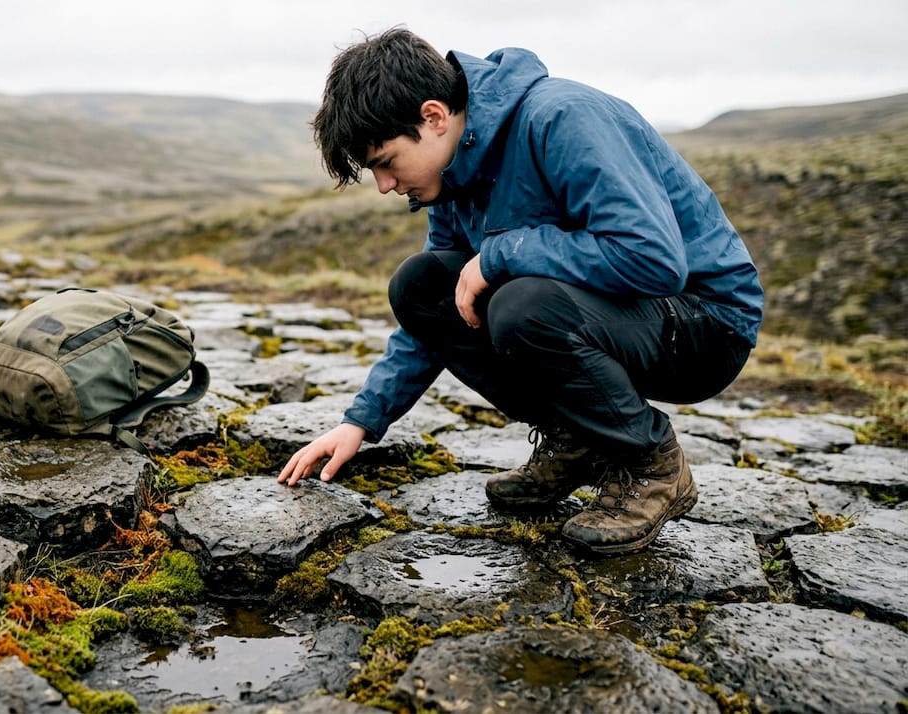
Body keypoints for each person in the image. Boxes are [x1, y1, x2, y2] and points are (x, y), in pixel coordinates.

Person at [276, 28, 763, 555]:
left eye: (386, 162)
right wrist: (362, 421)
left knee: (520, 304)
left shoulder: (562, 118)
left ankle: (652, 465)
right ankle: (576, 440)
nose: (386, 186)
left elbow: (654, 260)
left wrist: (505, 254)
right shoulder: (455, 175)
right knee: (421, 284)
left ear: (434, 117)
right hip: (620, 317)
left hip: (705, 325)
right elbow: (437, 312)